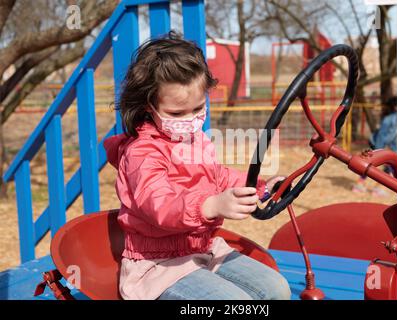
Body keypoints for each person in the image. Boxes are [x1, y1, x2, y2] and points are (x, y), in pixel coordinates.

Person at [103, 32, 291, 300]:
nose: (191, 120)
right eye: (177, 114)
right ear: (148, 107)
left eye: (198, 108)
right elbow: (158, 204)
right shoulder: (142, 153)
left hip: (204, 248)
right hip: (159, 263)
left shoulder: (196, 140)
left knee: (277, 288)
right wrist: (209, 206)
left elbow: (217, 176)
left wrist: (260, 186)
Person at [352, 96, 397, 197]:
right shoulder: (390, 119)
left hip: (388, 147)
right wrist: (380, 149)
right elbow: (382, 135)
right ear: (396, 106)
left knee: (388, 168)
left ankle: (372, 186)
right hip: (382, 145)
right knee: (375, 166)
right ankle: (365, 186)